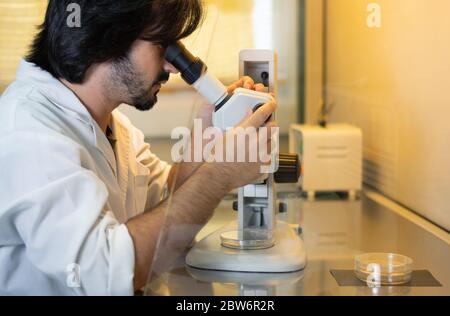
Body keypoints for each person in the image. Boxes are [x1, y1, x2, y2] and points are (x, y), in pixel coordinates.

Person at [0, 0, 277, 295]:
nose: (172, 65)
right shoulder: (28, 134)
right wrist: (218, 175)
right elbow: (105, 274)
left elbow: (169, 205)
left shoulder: (111, 125)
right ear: (106, 38)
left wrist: (206, 143)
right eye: (163, 45)